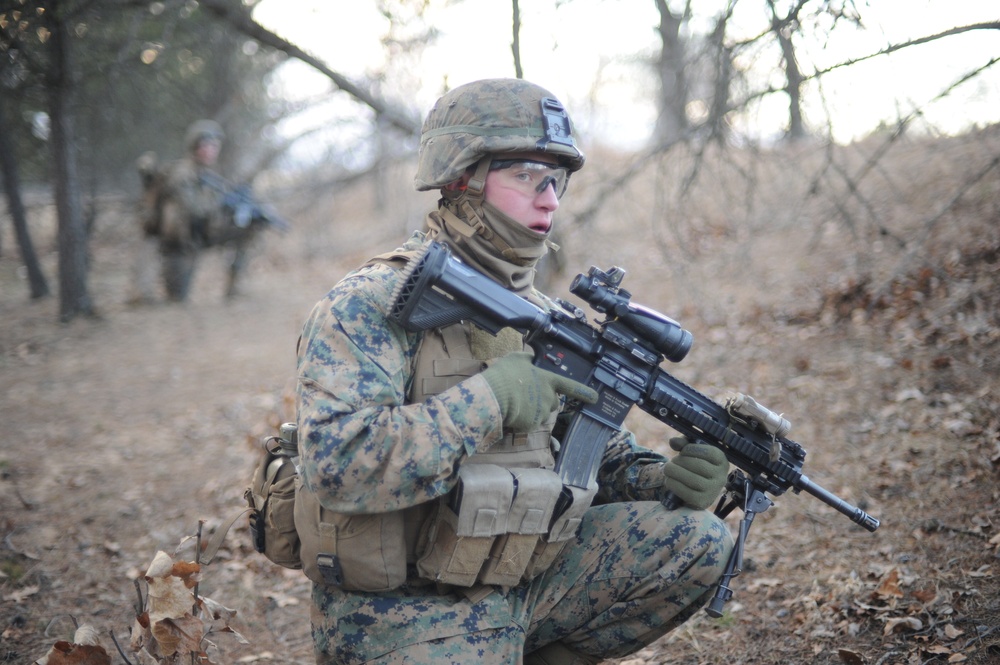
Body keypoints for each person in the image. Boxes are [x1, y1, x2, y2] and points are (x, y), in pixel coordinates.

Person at [294, 78, 734, 665]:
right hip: (403, 613)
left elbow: (592, 456)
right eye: (527, 176)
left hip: (524, 582)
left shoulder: (543, 316)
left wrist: (666, 481)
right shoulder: (372, 303)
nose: (550, 199)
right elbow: (337, 466)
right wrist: (489, 401)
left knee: (698, 541)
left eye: (557, 181)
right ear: (462, 177)